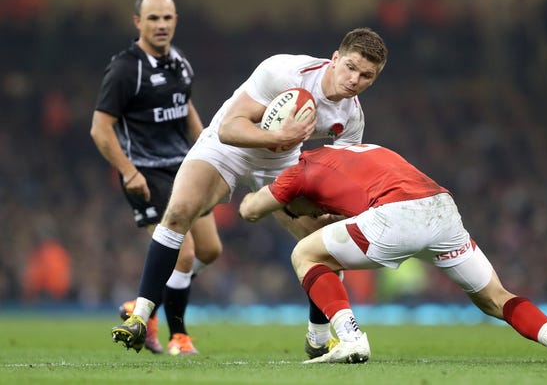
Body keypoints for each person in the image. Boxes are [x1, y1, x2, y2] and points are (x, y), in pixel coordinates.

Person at [110, 27, 388, 355]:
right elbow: (229, 128)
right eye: (350, 67)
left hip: (282, 162)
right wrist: (279, 136)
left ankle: (317, 338)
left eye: (366, 75)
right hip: (228, 148)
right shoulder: (284, 72)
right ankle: (141, 315)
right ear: (336, 58)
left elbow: (336, 172)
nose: (355, 79)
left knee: (326, 239)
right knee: (179, 212)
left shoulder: (352, 118)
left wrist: (329, 205)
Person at [238, 144, 547, 364]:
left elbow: (251, 211)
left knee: (305, 254)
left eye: (307, 211)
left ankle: (350, 338)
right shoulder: (354, 152)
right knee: (495, 298)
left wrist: (251, 190)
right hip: (442, 208)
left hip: (399, 215)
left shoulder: (296, 174)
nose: (315, 215)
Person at [91, 0, 222, 355]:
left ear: (175, 21)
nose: (161, 25)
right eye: (153, 18)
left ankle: (143, 307)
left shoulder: (179, 61)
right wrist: (128, 171)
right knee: (183, 252)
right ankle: (178, 336)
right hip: (147, 174)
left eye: (167, 18)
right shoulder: (124, 69)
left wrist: (210, 150)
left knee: (210, 250)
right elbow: (100, 128)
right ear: (138, 23)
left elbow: (186, 109)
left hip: (186, 168)